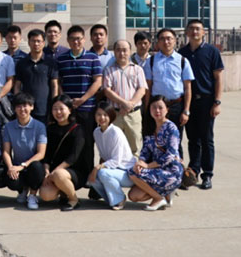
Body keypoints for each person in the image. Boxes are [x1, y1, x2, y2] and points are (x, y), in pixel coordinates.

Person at [179, 19, 224, 189]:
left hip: (206, 101)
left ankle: (207, 174)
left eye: (198, 29)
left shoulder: (212, 51)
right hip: (188, 101)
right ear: (187, 32)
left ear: (204, 32)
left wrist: (217, 102)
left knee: (206, 139)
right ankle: (193, 172)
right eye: (191, 29)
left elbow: (218, 78)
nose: (195, 32)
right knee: (192, 139)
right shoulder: (182, 53)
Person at [144, 28, 194, 160]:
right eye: (162, 39)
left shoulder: (183, 61)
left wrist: (186, 111)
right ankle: (155, 168)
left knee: (175, 140)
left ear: (175, 41)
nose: (166, 42)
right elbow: (148, 87)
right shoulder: (151, 61)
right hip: (157, 107)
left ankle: (177, 169)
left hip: (176, 105)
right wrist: (146, 108)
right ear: (158, 42)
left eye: (169, 38)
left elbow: (188, 88)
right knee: (155, 139)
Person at [56, 25, 102, 167]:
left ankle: (87, 172)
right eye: (72, 39)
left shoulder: (93, 58)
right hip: (67, 110)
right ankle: (70, 171)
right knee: (68, 141)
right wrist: (66, 102)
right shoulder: (61, 59)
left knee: (87, 141)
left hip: (87, 108)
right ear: (68, 40)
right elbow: (58, 82)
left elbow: (98, 81)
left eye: (79, 39)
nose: (76, 42)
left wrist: (83, 99)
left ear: (84, 39)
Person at [128, 95, 184, 210]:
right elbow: (145, 151)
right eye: (154, 107)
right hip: (156, 170)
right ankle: (165, 194)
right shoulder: (149, 127)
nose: (157, 111)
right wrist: (141, 163)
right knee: (133, 196)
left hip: (171, 170)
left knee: (132, 173)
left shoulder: (171, 128)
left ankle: (158, 198)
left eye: (160, 107)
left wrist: (148, 166)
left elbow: (170, 155)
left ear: (167, 109)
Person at [39, 95, 90, 211]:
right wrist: (47, 171)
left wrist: (55, 172)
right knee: (46, 195)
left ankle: (73, 199)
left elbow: (73, 157)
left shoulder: (78, 129)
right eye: (55, 109)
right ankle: (64, 193)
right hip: (54, 172)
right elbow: (47, 155)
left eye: (61, 109)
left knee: (59, 175)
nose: (58, 112)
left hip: (75, 172)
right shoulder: (50, 129)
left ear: (70, 110)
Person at [102, 39, 147, 155]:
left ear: (130, 51)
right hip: (115, 114)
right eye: (118, 50)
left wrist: (129, 105)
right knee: (114, 147)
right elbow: (107, 91)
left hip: (133, 114)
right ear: (114, 52)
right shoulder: (108, 70)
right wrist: (124, 103)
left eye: (124, 50)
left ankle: (133, 167)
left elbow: (142, 90)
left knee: (135, 147)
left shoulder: (138, 69)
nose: (121, 53)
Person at [2, 93, 47, 210]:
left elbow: (41, 153)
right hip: (17, 166)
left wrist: (23, 166)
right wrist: (11, 167)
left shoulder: (40, 126)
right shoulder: (8, 127)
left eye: (25, 106)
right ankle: (22, 190)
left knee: (37, 167)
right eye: (19, 106)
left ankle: (32, 195)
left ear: (32, 107)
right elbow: (6, 151)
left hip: (32, 165)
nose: (22, 109)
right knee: (11, 181)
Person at [88, 102, 135, 210]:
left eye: (105, 115)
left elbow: (116, 161)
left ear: (111, 116)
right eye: (99, 114)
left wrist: (97, 168)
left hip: (127, 172)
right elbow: (103, 156)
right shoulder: (96, 132)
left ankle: (119, 199)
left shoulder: (116, 132)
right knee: (91, 178)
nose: (102, 118)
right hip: (113, 170)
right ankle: (111, 199)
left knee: (103, 173)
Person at [14, 29, 59, 124]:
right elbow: (17, 85)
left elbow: (54, 86)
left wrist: (54, 105)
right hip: (26, 109)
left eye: (39, 41)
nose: (36, 44)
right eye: (33, 41)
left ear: (43, 43)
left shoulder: (51, 63)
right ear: (29, 43)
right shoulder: (22, 63)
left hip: (45, 109)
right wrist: (18, 103)